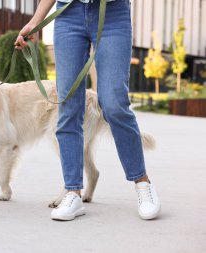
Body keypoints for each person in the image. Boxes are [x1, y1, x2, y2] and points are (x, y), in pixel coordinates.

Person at [15, 0, 161, 221]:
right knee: (68, 105)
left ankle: (143, 183)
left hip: (112, 12)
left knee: (114, 104)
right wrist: (36, 22)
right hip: (68, 13)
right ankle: (72, 192)